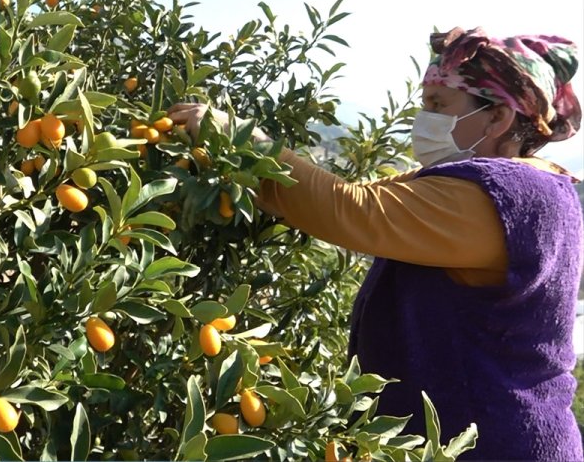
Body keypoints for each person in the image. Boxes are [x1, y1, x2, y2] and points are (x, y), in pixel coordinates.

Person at [168, 27, 583, 461]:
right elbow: (361, 194)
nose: (424, 120)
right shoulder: (538, 185)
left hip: (491, 444)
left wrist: (242, 141)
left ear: (498, 117)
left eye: (439, 105)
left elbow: (352, 210)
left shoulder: (499, 197)